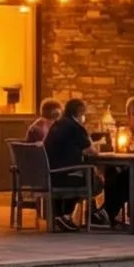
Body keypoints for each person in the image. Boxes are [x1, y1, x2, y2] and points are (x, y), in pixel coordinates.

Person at [42, 97, 101, 228]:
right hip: (63, 175)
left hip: (50, 174)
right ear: (80, 113)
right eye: (84, 114)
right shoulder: (74, 127)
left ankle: (62, 216)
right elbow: (91, 151)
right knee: (91, 178)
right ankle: (72, 215)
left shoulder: (58, 124)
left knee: (85, 173)